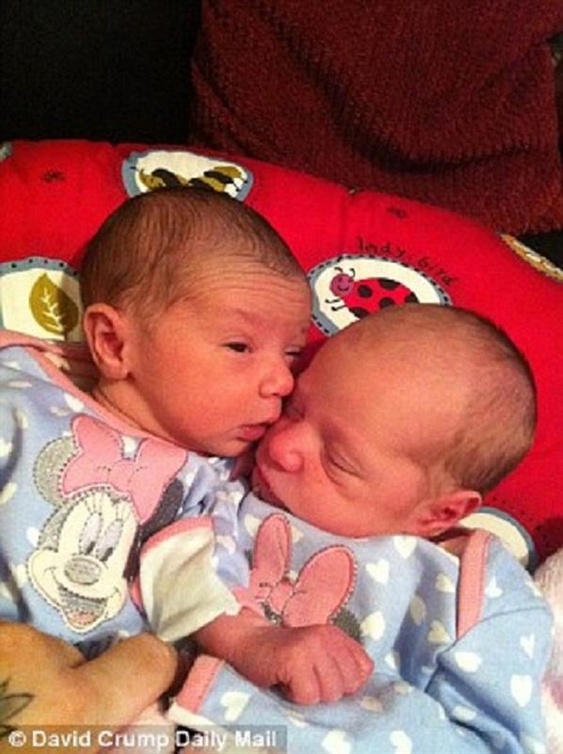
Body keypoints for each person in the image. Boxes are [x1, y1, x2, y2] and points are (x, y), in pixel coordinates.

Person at [0, 186, 316, 737]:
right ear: (114, 343)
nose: (283, 381)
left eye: (291, 354)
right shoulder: (21, 396)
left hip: (96, 709)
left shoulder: (212, 485)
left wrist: (256, 641)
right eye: (240, 347)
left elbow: (199, 587)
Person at [167, 304, 552, 754]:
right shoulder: (226, 474)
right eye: (295, 409)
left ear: (438, 513)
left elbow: (500, 742)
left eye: (337, 461)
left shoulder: (472, 594)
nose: (284, 446)